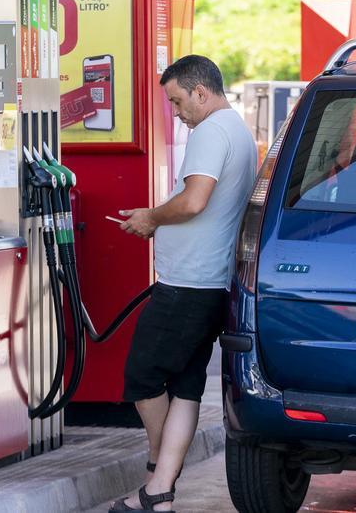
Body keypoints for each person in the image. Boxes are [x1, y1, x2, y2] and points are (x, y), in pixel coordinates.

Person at [110, 55, 257, 513]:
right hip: (211, 284)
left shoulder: (211, 130)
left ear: (200, 91)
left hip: (189, 285)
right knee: (188, 386)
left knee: (142, 377)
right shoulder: (239, 131)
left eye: (177, 101)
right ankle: (159, 495)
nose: (177, 113)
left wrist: (151, 218)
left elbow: (194, 201)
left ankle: (159, 467)